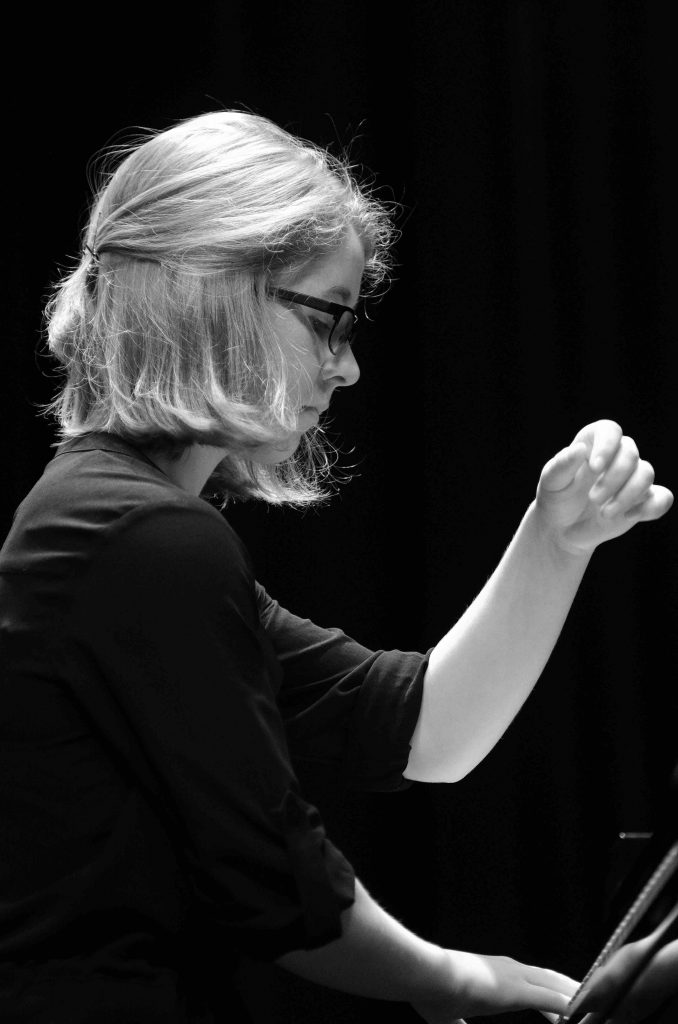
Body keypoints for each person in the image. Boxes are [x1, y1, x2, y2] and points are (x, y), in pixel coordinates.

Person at [0, 109, 672, 1024]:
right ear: (213, 289)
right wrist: (453, 977)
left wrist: (557, 540)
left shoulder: (119, 521)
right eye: (329, 318)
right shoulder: (139, 534)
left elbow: (427, 733)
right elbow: (274, 877)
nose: (348, 366)